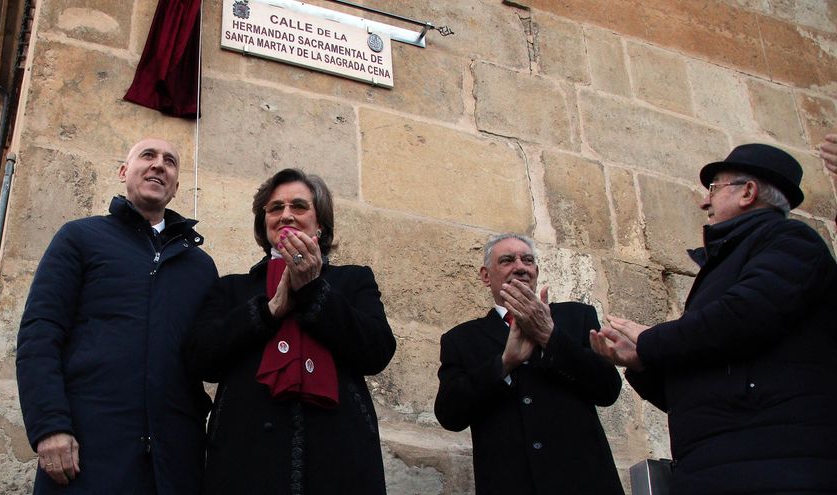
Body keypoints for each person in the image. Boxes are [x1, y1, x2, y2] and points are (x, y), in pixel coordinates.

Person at [591, 143, 837, 494]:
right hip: (721, 466)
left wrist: (648, 342)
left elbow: (742, 316)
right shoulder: (731, 261)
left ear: (748, 192)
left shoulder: (790, 241)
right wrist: (641, 363)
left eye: (714, 188)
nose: (704, 202)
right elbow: (708, 386)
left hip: (773, 467)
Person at [16, 138, 218, 493]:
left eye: (169, 161)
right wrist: (50, 425)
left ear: (175, 188)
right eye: (148, 156)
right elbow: (40, 332)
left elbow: (209, 354)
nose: (159, 165)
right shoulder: (80, 237)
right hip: (88, 452)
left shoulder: (200, 267)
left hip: (172, 465)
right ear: (125, 172)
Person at [184, 168, 396, 495]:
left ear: (320, 223)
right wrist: (267, 311)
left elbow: (378, 350)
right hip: (245, 459)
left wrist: (314, 291)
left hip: (338, 457)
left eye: (298, 206)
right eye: (275, 208)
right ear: (263, 222)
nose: (286, 215)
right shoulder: (231, 288)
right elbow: (200, 357)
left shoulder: (354, 280)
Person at [434, 233, 624, 495]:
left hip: (584, 481)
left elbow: (608, 389)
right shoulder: (462, 339)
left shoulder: (576, 317)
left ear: (536, 270)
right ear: (486, 276)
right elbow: (449, 414)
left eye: (527, 260)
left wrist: (550, 337)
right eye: (507, 260)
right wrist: (504, 364)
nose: (520, 267)